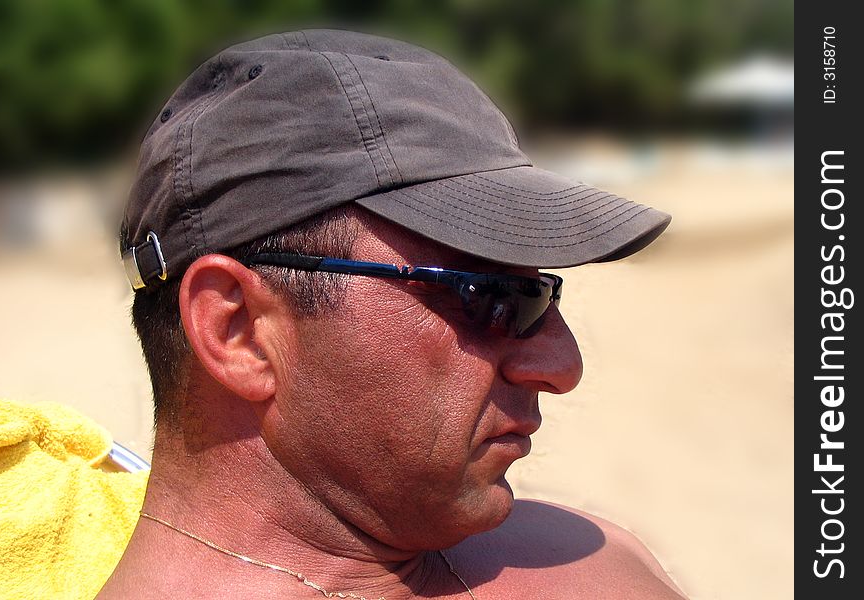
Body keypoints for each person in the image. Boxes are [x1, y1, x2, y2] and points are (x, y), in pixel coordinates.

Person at [99, 29, 685, 599]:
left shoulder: (594, 553)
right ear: (240, 331)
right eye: (487, 295)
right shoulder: (588, 560)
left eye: (541, 294)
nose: (562, 365)